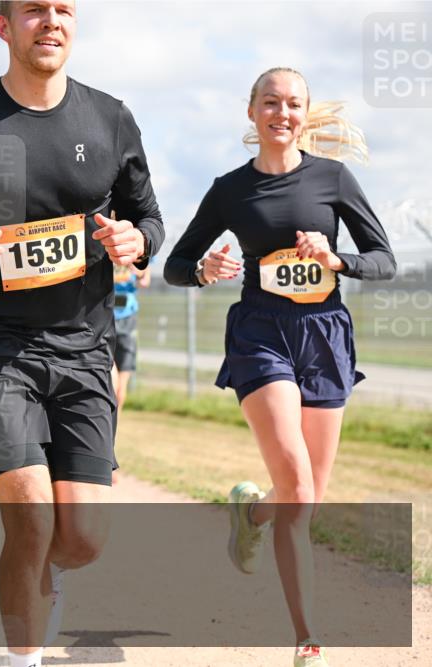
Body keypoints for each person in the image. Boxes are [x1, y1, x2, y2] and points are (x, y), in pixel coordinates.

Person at [0, 3, 164, 663]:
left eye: (63, 9)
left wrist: (137, 240)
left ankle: (43, 575)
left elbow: (149, 219)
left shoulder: (111, 118)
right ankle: (24, 657)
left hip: (83, 349)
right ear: (4, 27)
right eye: (34, 9)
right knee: (31, 517)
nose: (50, 20)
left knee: (83, 538)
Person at [164, 67, 396, 667]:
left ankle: (252, 510)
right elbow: (176, 263)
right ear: (252, 112)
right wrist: (202, 271)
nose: (282, 113)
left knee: (304, 499)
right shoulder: (229, 189)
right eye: (271, 102)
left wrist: (336, 259)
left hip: (324, 337)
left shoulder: (333, 178)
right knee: (296, 483)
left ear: (304, 113)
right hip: (260, 335)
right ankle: (307, 639)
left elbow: (383, 260)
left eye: (293, 104)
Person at [110, 263, 150, 408]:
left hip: (127, 317)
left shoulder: (138, 251)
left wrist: (140, 273)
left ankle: (116, 424)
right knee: (109, 374)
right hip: (105, 316)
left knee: (122, 382)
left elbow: (145, 281)